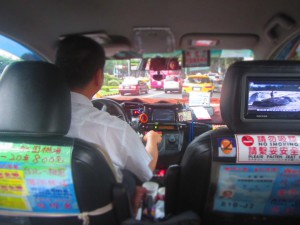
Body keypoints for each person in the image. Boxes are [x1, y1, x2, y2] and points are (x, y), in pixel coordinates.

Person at [55, 35, 162, 212]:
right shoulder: (114, 128)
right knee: (129, 181)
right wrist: (152, 140)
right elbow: (146, 170)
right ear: (99, 77)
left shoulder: (14, 126)